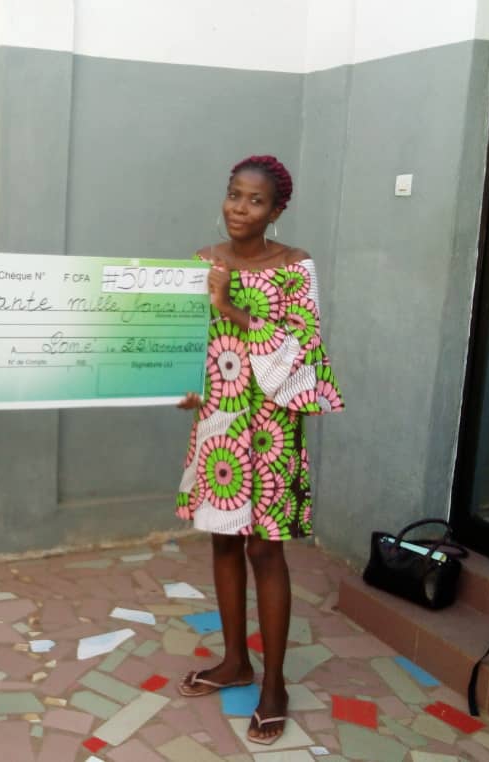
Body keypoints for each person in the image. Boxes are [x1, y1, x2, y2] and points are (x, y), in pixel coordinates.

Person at [174, 155, 343, 745]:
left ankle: (274, 684)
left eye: (255, 200)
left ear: (277, 211)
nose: (239, 209)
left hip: (272, 423)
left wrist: (228, 305)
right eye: (234, 195)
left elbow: (303, 349)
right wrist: (181, 385)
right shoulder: (202, 261)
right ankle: (234, 662)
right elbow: (186, 340)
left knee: (265, 549)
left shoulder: (295, 266)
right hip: (219, 420)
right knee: (223, 540)